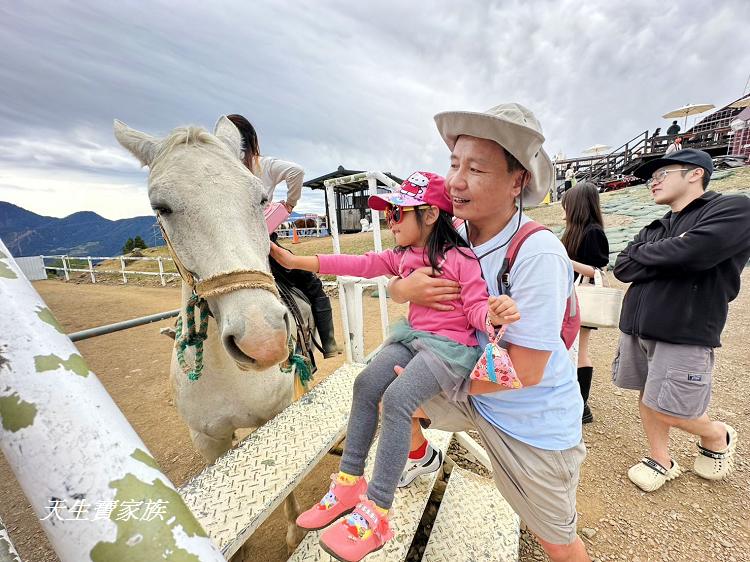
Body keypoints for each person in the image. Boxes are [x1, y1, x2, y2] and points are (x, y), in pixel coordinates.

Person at [271, 171, 521, 561]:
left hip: (450, 349)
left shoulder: (461, 259)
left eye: (398, 213)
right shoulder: (402, 257)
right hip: (414, 337)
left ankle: (377, 512)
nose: (390, 221)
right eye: (389, 213)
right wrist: (294, 259)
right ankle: (349, 482)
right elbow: (357, 263)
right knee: (366, 383)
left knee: (398, 399)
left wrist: (492, 314)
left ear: (430, 215)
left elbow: (474, 309)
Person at [391, 104, 591, 562]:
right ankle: (421, 457)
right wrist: (406, 287)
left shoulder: (536, 253)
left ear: (517, 180)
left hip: (530, 421)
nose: (455, 181)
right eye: (454, 164)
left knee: (557, 543)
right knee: (383, 388)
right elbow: (396, 270)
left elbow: (525, 368)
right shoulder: (450, 231)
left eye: (476, 168)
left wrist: (441, 384)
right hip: (475, 387)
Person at [613, 148, 750, 493]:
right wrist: (672, 251)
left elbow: (696, 253)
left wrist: (662, 253)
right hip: (638, 324)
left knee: (673, 407)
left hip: (685, 329)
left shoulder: (733, 208)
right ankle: (660, 459)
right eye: (650, 178)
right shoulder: (656, 225)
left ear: (695, 173)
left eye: (661, 174)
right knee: (648, 396)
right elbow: (623, 266)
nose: (652, 181)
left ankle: (717, 433)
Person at [226, 114, 340, 357]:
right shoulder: (262, 165)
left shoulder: (220, 170)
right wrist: (289, 204)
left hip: (228, 246)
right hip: (262, 244)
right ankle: (329, 344)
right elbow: (296, 171)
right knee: (312, 285)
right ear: (251, 139)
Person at [561, 182, 610, 423]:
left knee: (579, 351)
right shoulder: (575, 230)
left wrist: (565, 260)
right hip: (569, 298)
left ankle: (581, 408)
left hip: (582, 299)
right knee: (571, 349)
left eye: (567, 205)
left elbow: (598, 270)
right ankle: (575, 404)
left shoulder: (592, 232)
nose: (564, 209)